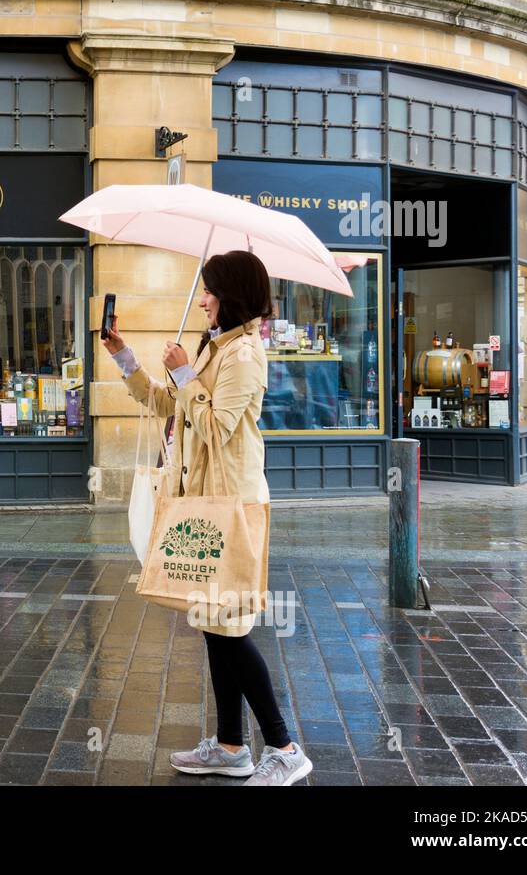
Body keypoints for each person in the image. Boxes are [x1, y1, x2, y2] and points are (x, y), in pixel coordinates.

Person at [101, 250, 312, 786]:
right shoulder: (214, 348)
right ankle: (230, 746)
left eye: (209, 290)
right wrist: (125, 355)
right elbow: (164, 403)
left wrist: (186, 374)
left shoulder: (243, 355)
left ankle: (284, 748)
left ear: (231, 294)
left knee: (230, 631)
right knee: (215, 630)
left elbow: (216, 427)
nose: (201, 299)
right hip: (203, 501)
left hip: (231, 505)